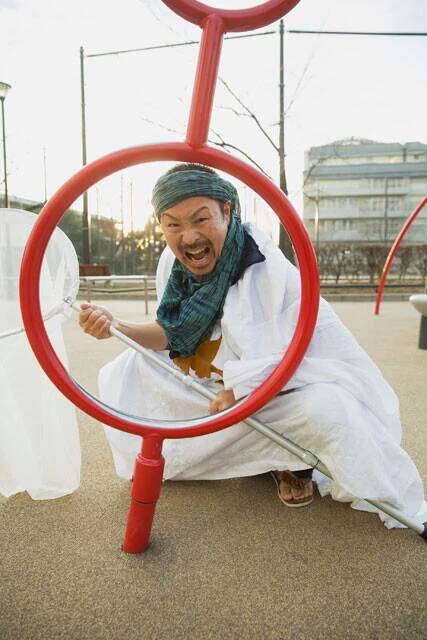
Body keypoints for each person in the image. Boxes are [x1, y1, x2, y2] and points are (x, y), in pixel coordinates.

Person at [79, 163, 427, 525]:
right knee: (132, 369)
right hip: (227, 374)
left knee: (327, 410)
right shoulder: (173, 262)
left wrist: (239, 391)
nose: (190, 237)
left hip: (290, 380)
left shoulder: (260, 262)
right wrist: (116, 326)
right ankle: (263, 453)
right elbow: (173, 332)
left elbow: (280, 356)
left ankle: (292, 460)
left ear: (226, 211)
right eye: (174, 225)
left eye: (201, 219)